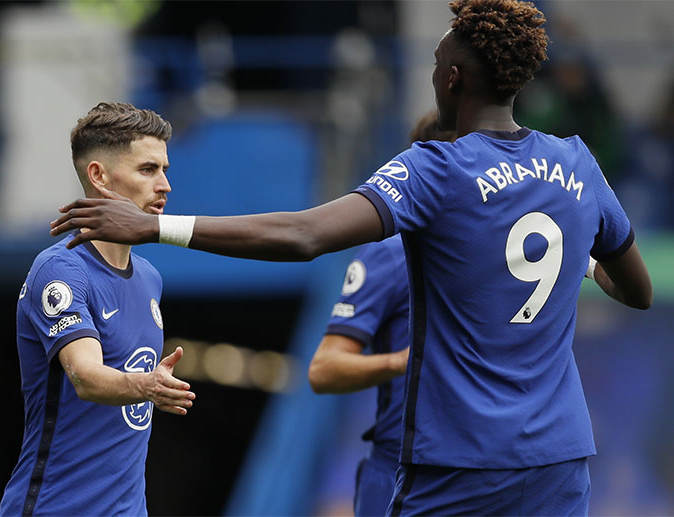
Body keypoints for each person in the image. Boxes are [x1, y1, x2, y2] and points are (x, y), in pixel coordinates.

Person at [50, 1, 653, 514]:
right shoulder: (577, 162)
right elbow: (638, 291)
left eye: (436, 63)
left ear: (451, 80)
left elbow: (304, 234)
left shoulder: (436, 168)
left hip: (461, 461)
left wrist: (155, 226)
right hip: (560, 460)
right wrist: (580, 261)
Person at [0, 102, 196, 517]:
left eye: (165, 170)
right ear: (99, 176)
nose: (165, 185)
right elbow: (85, 377)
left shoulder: (149, 277)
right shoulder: (61, 271)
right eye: (148, 170)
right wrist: (146, 386)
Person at [307, 112, 453, 517]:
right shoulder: (390, 254)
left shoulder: (500, 252)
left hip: (487, 470)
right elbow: (324, 370)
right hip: (403, 472)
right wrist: (403, 361)